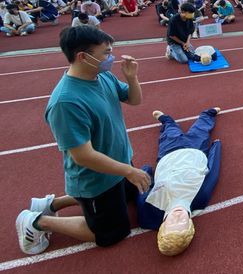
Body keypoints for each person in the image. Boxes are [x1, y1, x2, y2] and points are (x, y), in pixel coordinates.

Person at [15, 26, 149, 255]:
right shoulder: (66, 103)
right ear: (82, 57)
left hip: (118, 163)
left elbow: (134, 100)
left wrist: (132, 77)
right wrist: (128, 171)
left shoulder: (102, 75)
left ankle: (52, 204)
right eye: (106, 53)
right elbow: (83, 156)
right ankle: (36, 221)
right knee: (112, 233)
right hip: (95, 178)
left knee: (132, 195)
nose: (111, 57)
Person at [136, 107, 222, 256]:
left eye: (172, 223)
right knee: (201, 129)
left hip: (169, 153)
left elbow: (142, 187)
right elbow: (212, 173)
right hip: (196, 151)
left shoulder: (149, 208)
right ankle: (208, 114)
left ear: (163, 225)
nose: (177, 217)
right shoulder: (200, 198)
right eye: (182, 223)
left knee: (170, 132)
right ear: (190, 225)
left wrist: (146, 170)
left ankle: (166, 120)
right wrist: (216, 147)